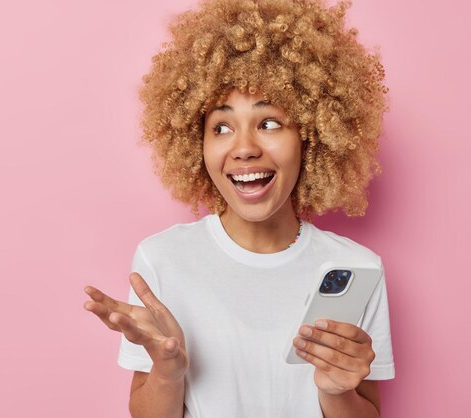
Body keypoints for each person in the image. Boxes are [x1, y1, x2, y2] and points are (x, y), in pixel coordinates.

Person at [83, 0, 395, 416]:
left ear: (312, 136)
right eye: (222, 127)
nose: (245, 148)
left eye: (269, 122)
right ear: (197, 143)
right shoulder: (162, 259)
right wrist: (168, 370)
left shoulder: (355, 268)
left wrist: (337, 392)